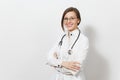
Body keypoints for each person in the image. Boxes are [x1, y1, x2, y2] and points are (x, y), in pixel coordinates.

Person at [47, 7, 89, 80]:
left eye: (72, 18)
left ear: (78, 20)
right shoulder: (61, 38)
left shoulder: (83, 40)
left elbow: (76, 68)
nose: (68, 21)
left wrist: (56, 63)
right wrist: (63, 63)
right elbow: (49, 58)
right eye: (65, 18)